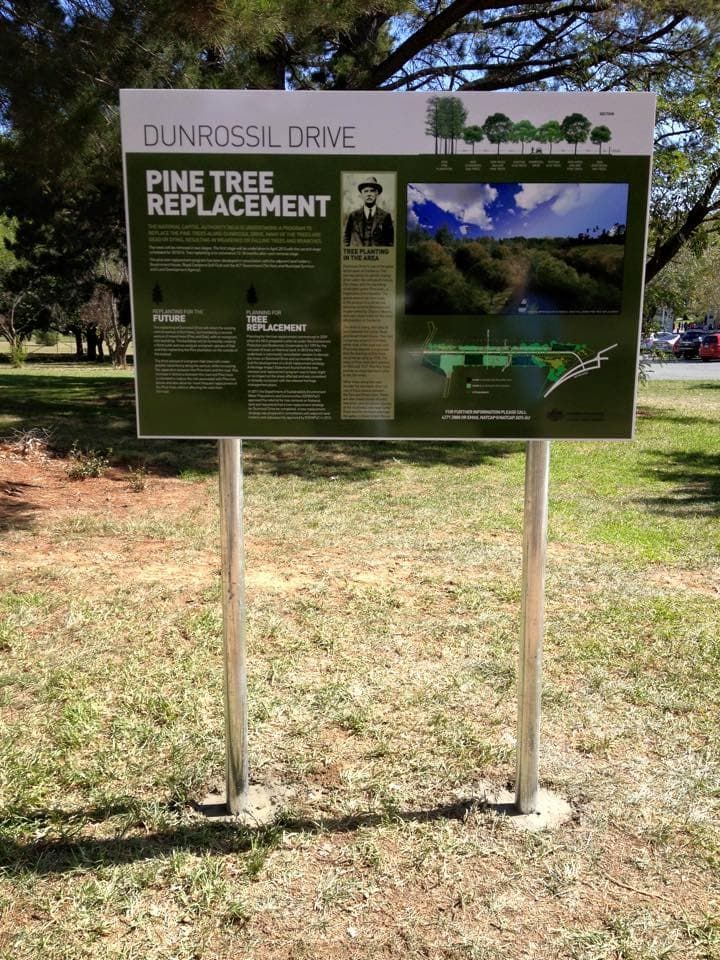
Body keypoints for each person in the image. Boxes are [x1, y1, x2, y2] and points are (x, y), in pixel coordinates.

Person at [343, 176, 394, 247]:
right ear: (361, 194)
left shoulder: (386, 216)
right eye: (366, 191)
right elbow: (346, 239)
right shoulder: (353, 216)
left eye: (372, 191)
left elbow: (390, 242)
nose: (369, 194)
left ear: (377, 193)